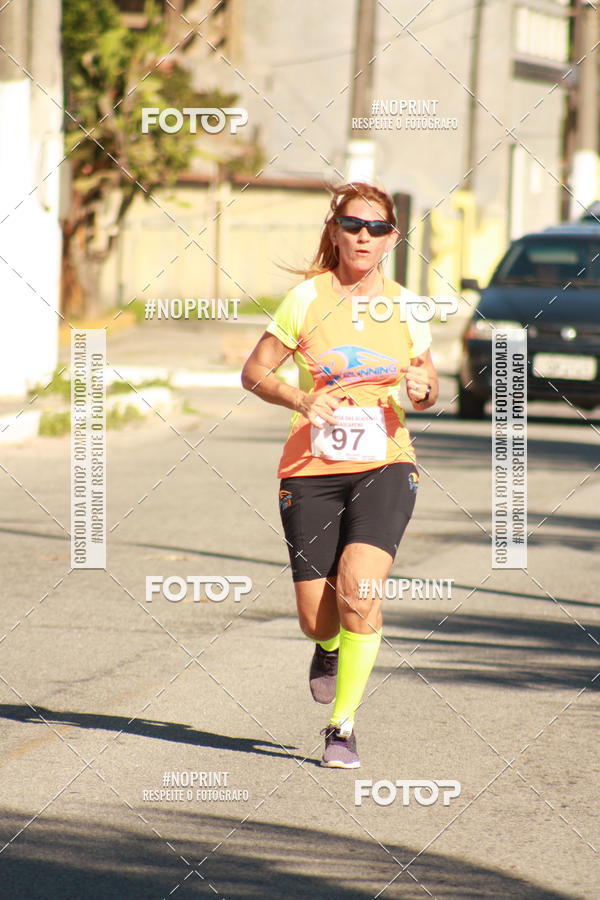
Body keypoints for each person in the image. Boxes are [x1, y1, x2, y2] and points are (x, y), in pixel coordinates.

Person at [241, 181, 438, 768]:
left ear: (392, 239)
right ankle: (327, 647)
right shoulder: (304, 300)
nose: (363, 236)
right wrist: (301, 402)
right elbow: (254, 372)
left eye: (377, 228)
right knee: (316, 618)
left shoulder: (408, 307)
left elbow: (425, 384)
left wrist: (425, 391)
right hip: (310, 468)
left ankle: (342, 726)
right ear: (335, 229)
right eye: (353, 224)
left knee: (360, 591)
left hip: (385, 463)